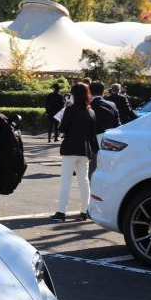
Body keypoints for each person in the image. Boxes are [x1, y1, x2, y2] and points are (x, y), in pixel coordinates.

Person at [52, 83, 102, 221]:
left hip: (70, 148)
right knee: (84, 181)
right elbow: (93, 133)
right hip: (85, 150)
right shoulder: (91, 112)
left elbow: (62, 128)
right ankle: (84, 211)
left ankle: (61, 212)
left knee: (66, 181)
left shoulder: (70, 109)